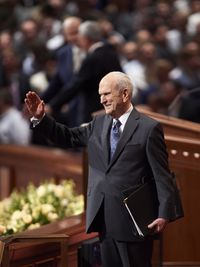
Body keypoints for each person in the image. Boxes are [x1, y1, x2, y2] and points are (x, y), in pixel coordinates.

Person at [25, 71, 182, 267]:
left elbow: (162, 174)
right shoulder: (98, 123)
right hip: (104, 219)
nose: (102, 100)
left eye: (106, 94)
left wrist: (164, 213)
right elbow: (67, 137)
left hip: (133, 220)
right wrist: (41, 118)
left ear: (125, 94)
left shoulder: (148, 128)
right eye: (100, 95)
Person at [46, 20, 122, 124]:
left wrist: (52, 106)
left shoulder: (93, 58)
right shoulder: (111, 53)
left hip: (97, 113)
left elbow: (76, 85)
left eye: (80, 37)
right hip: (115, 109)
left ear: (86, 39)